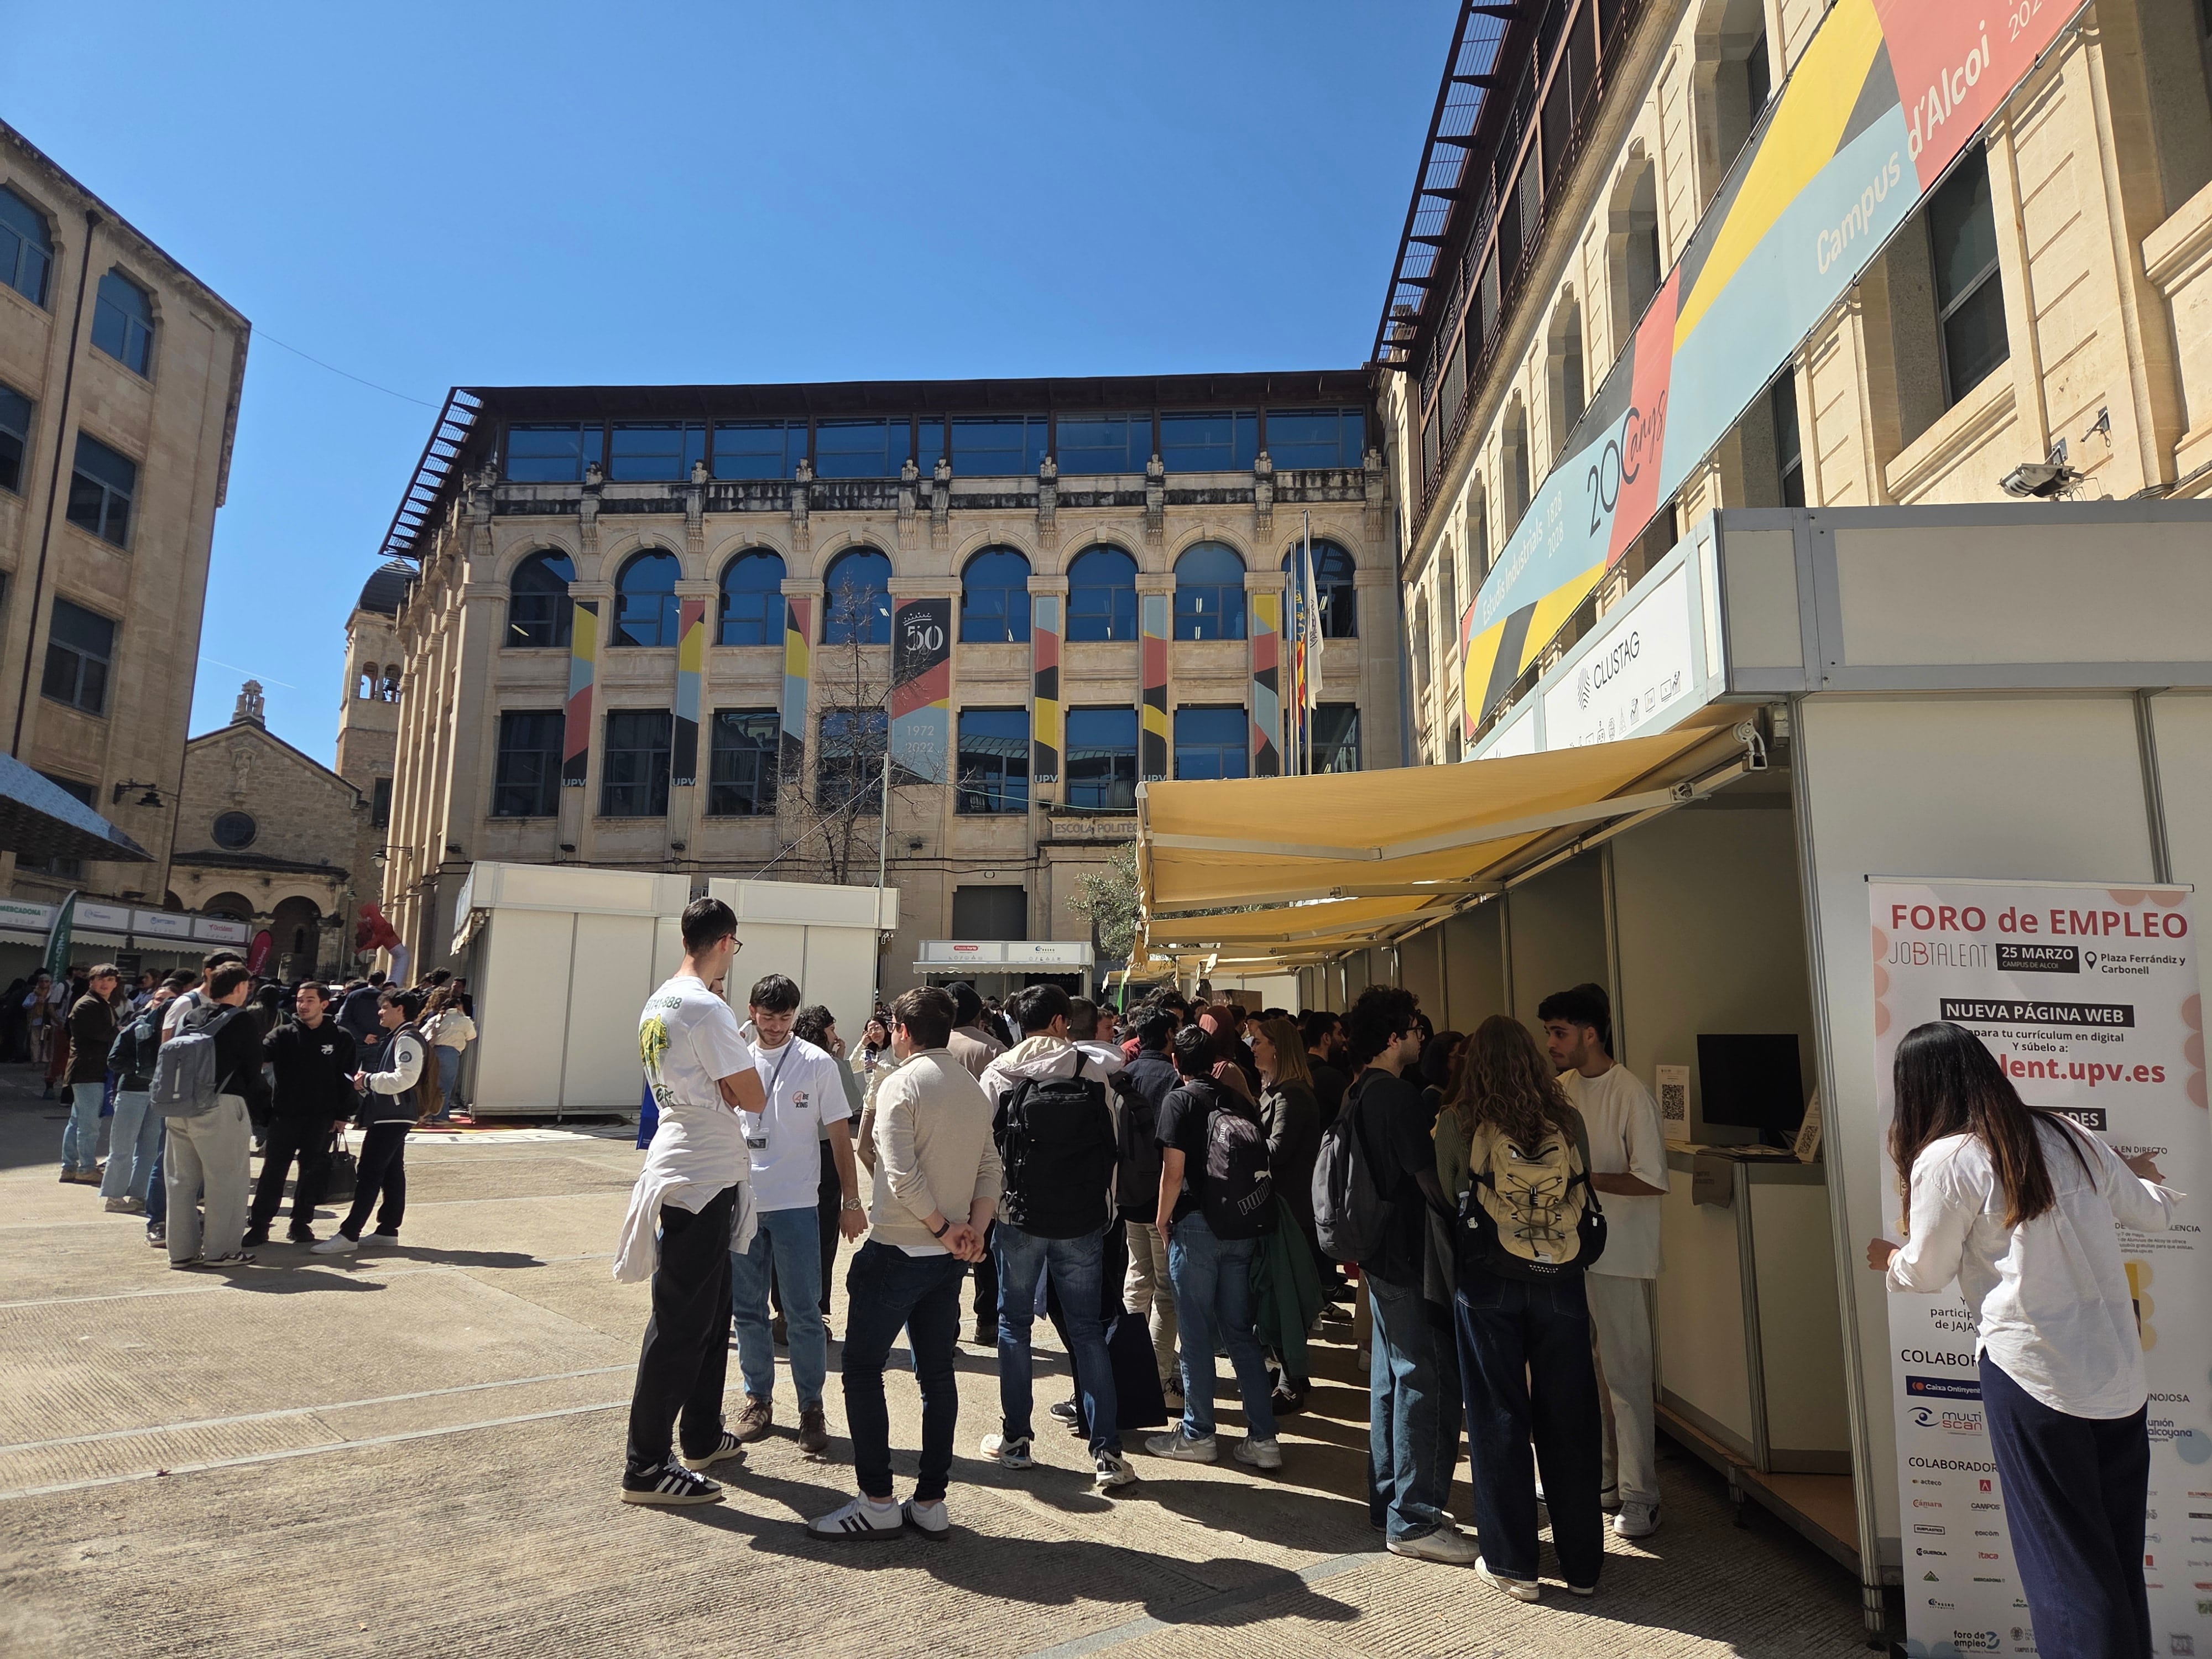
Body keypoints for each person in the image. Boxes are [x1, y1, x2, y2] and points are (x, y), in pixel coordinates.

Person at [1867, 1021, 2178, 1659]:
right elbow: (2152, 1210)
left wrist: (1889, 1262)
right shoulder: (2069, 1132)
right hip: (2117, 1377)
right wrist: (2138, 1175)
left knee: (2064, 1569)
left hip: (2033, 1379)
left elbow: (1926, 1272)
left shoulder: (1948, 1159)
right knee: (2114, 1561)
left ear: (1918, 1089)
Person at [810, 987, 1000, 1541]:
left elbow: (898, 1175)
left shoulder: (900, 1083)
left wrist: (948, 1230)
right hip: (947, 1257)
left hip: (900, 1248)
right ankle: (931, 1497)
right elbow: (991, 1170)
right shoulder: (971, 1088)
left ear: (900, 1030)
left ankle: (876, 1499)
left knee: (864, 1369)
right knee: (936, 1374)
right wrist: (972, 1234)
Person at [1437, 1015, 1607, 1601]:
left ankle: (1514, 1564)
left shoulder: (1458, 1122)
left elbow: (1449, 1192)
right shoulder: (1567, 1118)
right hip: (1562, 1280)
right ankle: (1583, 1566)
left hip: (1488, 1280)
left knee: (1497, 1416)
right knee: (1571, 1418)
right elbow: (1583, 1189)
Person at [612, 896, 766, 1505]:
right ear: (726, 941)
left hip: (691, 1159)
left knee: (710, 1312)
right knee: (681, 1323)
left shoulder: (661, 999)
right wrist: (734, 1080)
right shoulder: (707, 1008)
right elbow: (751, 1094)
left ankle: (700, 1434)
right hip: (700, 1171)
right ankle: (646, 1464)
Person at [974, 984, 1134, 1491]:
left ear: (1020, 1024)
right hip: (1083, 1221)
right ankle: (1107, 1454)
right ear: (1063, 1022)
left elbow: (983, 1148)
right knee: (1088, 1332)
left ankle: (1017, 1441)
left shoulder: (1000, 1074)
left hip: (1017, 1218)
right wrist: (1105, 1213)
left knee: (1013, 1326)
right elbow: (1112, 1150)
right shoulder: (1093, 1074)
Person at [1337, 985, 1473, 1564]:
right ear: (1393, 1039)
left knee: (1392, 1380)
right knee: (1428, 1379)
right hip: (1408, 1255)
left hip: (1378, 1255)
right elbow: (1429, 1184)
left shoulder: (1358, 1090)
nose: (1422, 1035)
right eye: (1414, 1028)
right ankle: (1415, 1518)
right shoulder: (1396, 1096)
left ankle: (1389, 1500)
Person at [1539, 983, 1668, 1537]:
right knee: (1584, 1374)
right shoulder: (1561, 1089)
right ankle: (1603, 1482)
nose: (1551, 1042)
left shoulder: (1630, 1092)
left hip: (1620, 1255)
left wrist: (1579, 1178)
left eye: (1559, 1032)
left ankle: (1641, 1495)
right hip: (1570, 1253)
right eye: (1548, 1031)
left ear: (1592, 1034)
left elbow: (1651, 1179)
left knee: (1625, 1373)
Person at [728, 974, 864, 1457]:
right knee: (747, 1310)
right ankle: (757, 1400)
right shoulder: (733, 1055)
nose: (776, 1026)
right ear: (752, 1010)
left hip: (797, 1205)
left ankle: (811, 1408)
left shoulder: (816, 1063)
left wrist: (851, 1201)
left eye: (785, 1017)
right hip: (743, 1203)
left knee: (804, 1312)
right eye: (768, 1017)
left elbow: (840, 1137)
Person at [1146, 1024, 1282, 1473]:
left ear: (1176, 1061)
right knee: (1240, 1332)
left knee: (1197, 1332)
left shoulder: (1179, 1101)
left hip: (1197, 1226)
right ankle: (1263, 1438)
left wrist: (1163, 1218)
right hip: (1242, 1225)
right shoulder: (1239, 1100)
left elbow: (1173, 1170)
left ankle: (1198, 1432)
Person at [164, 963, 269, 1269]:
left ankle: (181, 1251)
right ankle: (221, 1251)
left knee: (181, 1181)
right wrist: (265, 1112)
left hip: (180, 1105)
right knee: (226, 1181)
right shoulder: (242, 1021)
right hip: (222, 1106)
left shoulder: (192, 1017)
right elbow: (253, 1071)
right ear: (240, 988)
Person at [311, 989, 427, 1255]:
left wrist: (368, 1080)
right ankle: (388, 1230)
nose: (380, 1012)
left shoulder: (406, 1038)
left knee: (370, 1173)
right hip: (393, 1113)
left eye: (385, 1007)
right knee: (391, 1172)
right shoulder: (400, 1036)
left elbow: (406, 1078)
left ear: (400, 1009)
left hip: (392, 1115)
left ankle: (350, 1233)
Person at [247, 983, 358, 1247]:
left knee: (312, 1172)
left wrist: (343, 1114)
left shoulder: (341, 1037)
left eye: (310, 1000)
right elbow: (257, 1060)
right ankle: (259, 1226)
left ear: (324, 1004)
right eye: (299, 1000)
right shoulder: (282, 1034)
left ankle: (300, 1224)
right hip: (284, 1116)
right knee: (273, 1172)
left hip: (322, 1118)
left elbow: (347, 1078)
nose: (303, 1005)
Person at [1251, 1015, 1322, 1411]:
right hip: (1281, 1205)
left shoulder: (1291, 1095)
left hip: (1290, 1209)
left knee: (1285, 1297)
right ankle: (1290, 1374)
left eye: (1259, 1041)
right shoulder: (1278, 1091)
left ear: (1278, 1047)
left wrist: (1241, 1143)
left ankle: (1290, 1380)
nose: (1253, 1047)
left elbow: (1278, 1150)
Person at [1115, 1006, 1183, 1409]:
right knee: (1165, 1291)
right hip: (1160, 1197)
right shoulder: (1171, 1079)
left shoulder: (1125, 1076)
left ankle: (1129, 1368)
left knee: (1137, 1281)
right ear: (1170, 1036)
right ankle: (1158, 1380)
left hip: (1126, 1194)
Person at [793, 1003, 864, 1331]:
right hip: (826, 1153)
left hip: (792, 1154)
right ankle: (816, 1307)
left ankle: (787, 1308)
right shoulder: (830, 1064)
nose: (836, 1035)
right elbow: (853, 1103)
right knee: (823, 1235)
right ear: (823, 1032)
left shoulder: (789, 1059)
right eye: (832, 1029)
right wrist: (842, 1059)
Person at [101, 976, 176, 1214]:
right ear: (151, 1001)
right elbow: (113, 1060)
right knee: (122, 1148)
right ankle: (114, 1197)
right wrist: (139, 1069)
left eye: (169, 1001)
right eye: (159, 1000)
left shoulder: (176, 1032)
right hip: (132, 1093)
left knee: (150, 1150)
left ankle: (138, 1195)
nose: (163, 1005)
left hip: (157, 1096)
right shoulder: (136, 1027)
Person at [58, 964, 119, 1184]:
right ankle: (85, 1168)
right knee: (89, 1124)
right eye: (100, 979)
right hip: (88, 1070)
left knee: (78, 1121)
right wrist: (121, 1032)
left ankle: (70, 1167)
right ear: (91, 981)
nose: (105, 983)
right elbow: (101, 1034)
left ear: (116, 983)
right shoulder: (87, 1005)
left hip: (92, 1070)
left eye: (110, 979)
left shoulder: (101, 1004)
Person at [422, 983, 477, 1119]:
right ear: (458, 1006)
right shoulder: (463, 1020)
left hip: (433, 1053)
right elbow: (472, 1036)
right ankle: (441, 1116)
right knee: (445, 1087)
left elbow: (422, 1033)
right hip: (451, 1054)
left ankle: (428, 1115)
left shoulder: (436, 1019)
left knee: (432, 1085)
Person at [1302, 1010, 1349, 1129]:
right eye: (1339, 1034)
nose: (1343, 1039)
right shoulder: (1331, 1077)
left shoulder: (1298, 1068)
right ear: (1326, 1038)